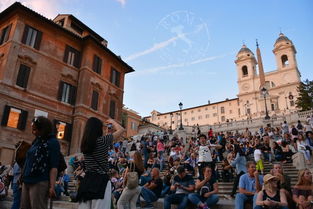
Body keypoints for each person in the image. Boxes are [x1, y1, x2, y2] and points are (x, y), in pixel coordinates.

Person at [77, 117, 124, 209]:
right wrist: (112, 121)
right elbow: (121, 130)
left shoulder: (84, 143)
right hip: (100, 181)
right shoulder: (102, 140)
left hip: (87, 181)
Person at [21, 116, 60, 209]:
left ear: (42, 129)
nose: (32, 132)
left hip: (39, 181)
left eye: (34, 129)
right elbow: (28, 160)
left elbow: (54, 166)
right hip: (26, 180)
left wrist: (52, 186)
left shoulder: (53, 142)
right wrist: (22, 176)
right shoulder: (36, 141)